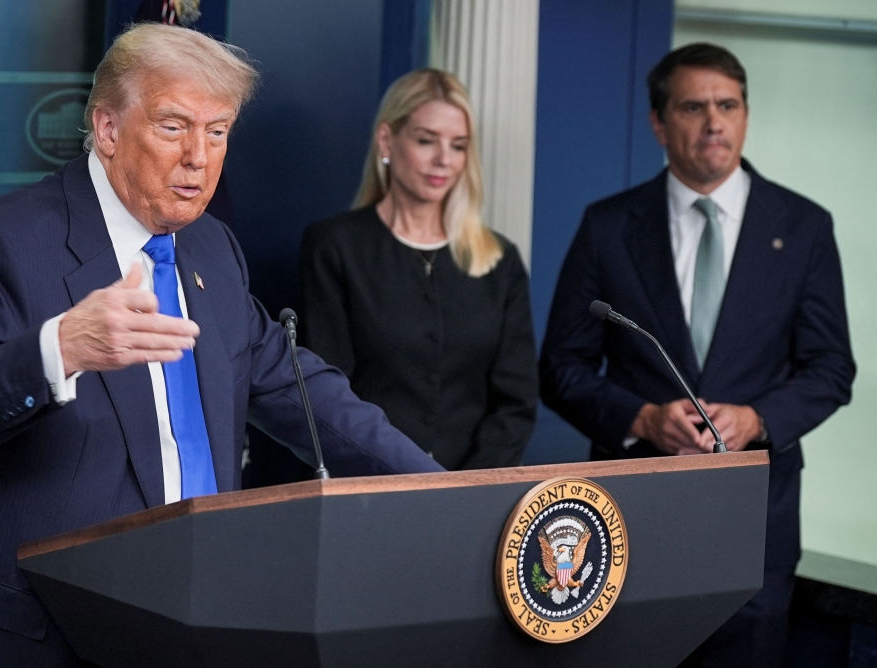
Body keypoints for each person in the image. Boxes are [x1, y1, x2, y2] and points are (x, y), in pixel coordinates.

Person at [0, 24, 443, 667]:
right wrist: (60, 348)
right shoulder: (5, 243)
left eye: (218, 131)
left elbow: (298, 386)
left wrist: (441, 492)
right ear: (109, 129)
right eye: (174, 127)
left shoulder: (211, 248)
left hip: (171, 627)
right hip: (23, 634)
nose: (198, 158)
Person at [539, 43, 854, 667]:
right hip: (632, 515)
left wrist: (758, 419)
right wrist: (641, 418)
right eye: (693, 106)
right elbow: (561, 368)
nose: (714, 121)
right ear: (659, 123)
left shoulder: (805, 226)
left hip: (754, 519)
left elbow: (830, 369)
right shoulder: (607, 226)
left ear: (745, 115)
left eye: (728, 105)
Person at [299, 69, 538, 471]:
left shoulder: (500, 258)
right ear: (387, 140)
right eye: (427, 141)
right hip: (368, 488)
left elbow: (516, 401)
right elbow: (328, 392)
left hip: (476, 496)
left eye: (458, 146)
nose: (444, 159)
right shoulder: (335, 246)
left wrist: (470, 491)